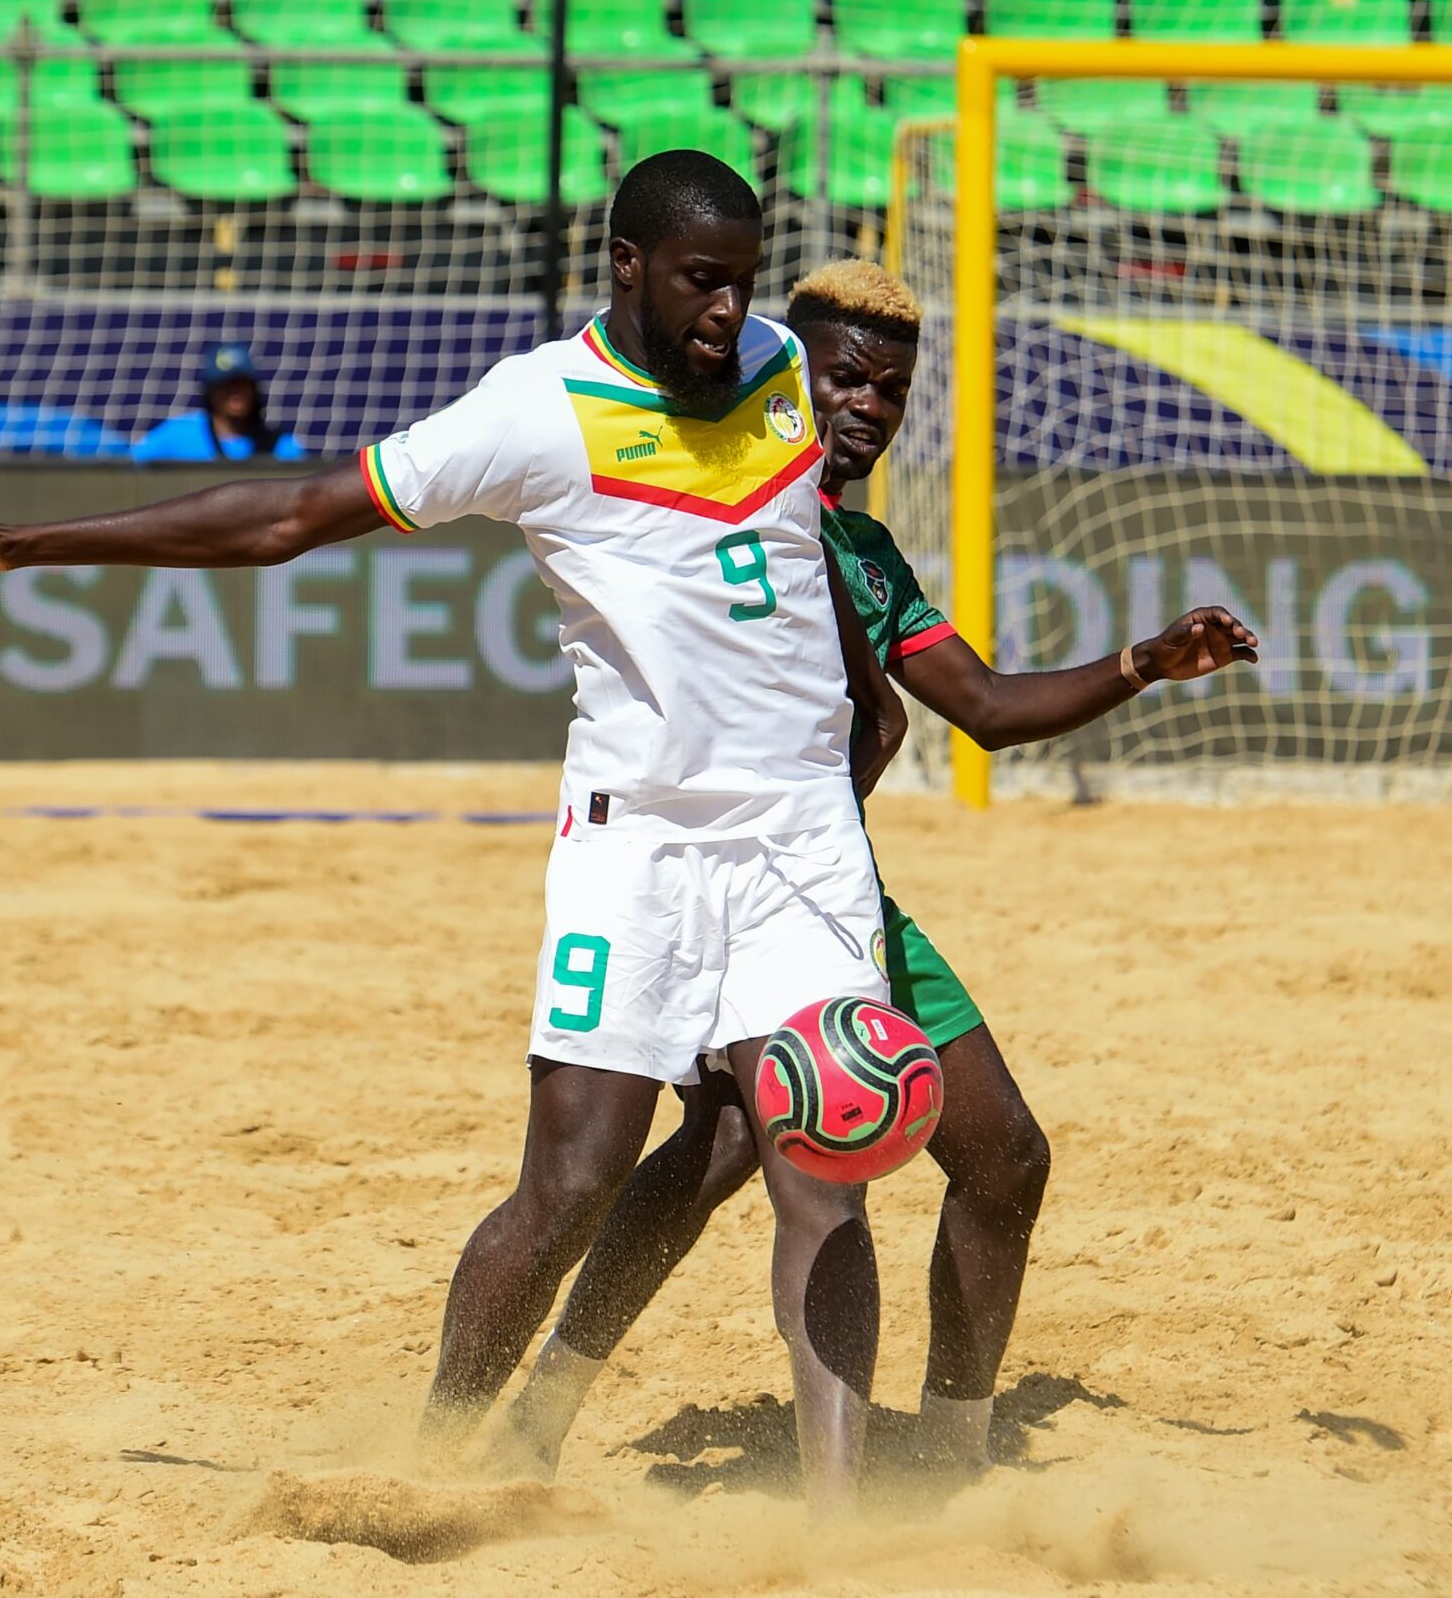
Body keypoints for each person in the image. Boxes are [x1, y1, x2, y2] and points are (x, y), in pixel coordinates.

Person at [0, 152, 915, 1515]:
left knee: (826, 1167)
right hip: (638, 844)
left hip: (800, 837)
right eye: (700, 281)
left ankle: (844, 1531)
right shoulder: (541, 409)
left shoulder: (783, 369)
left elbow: (799, 559)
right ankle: (429, 1458)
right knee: (573, 1179)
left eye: (741, 279)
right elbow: (290, 516)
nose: (727, 309)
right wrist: (34, 545)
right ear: (628, 268)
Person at [488, 260, 1260, 1483]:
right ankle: (545, 1412)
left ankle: (949, 1456)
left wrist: (1143, 661)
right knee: (728, 1139)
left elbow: (987, 708)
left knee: (1004, 1156)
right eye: (844, 375)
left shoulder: (867, 550)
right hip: (689, 876)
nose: (866, 404)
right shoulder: (715, 499)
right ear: (788, 374)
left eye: (891, 387)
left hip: (835, 891)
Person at [131, 342, 306, 463]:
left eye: (242, 384)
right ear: (211, 391)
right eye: (226, 385)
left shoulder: (281, 446)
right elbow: (129, 464)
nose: (235, 393)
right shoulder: (178, 435)